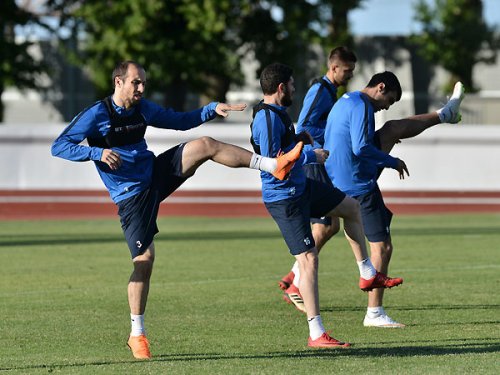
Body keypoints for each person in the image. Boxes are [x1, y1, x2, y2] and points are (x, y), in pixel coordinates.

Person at [51, 60, 304, 360]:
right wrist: (97, 152)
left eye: (144, 82)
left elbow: (178, 120)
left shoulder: (142, 108)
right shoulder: (97, 114)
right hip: (132, 197)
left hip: (155, 174)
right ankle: (136, 334)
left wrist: (211, 109)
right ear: (118, 82)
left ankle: (273, 165)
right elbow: (60, 145)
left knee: (205, 145)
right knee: (144, 261)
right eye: (136, 83)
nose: (142, 88)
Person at [250, 63, 403, 347]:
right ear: (281, 87)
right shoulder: (266, 119)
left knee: (350, 208)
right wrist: (310, 154)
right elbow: (275, 164)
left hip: (301, 188)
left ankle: (367, 272)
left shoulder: (278, 114)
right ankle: (316, 333)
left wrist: (300, 140)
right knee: (308, 261)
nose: (296, 89)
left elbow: (284, 148)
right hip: (285, 197)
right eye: (293, 85)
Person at [323, 71, 465, 327]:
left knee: (390, 129)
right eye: (388, 101)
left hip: (336, 179)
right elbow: (361, 148)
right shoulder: (362, 106)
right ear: (380, 87)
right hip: (357, 184)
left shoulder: (348, 100)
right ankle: (374, 313)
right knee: (383, 247)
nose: (385, 107)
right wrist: (392, 161)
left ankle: (445, 114)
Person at [277, 47, 357, 307]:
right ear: (333, 68)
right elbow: (304, 125)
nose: (350, 75)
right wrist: (315, 149)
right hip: (314, 161)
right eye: (347, 71)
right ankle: (297, 281)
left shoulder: (332, 92)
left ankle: (293, 275)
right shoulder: (319, 90)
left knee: (331, 226)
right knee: (326, 226)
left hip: (321, 162)